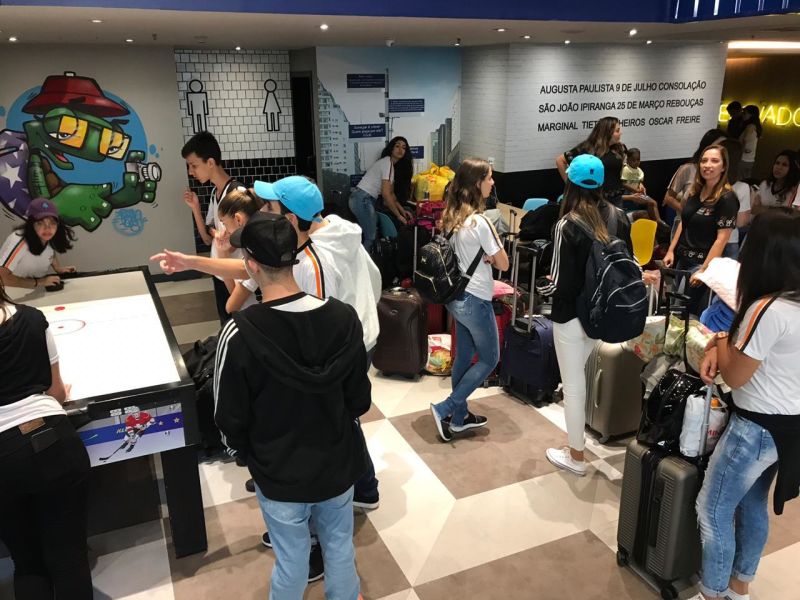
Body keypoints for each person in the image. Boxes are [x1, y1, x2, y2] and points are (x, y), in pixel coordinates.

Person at [214, 212, 370, 600]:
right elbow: (359, 400)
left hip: (278, 470)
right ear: (295, 255)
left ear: (250, 265)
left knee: (292, 559)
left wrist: (247, 454)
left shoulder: (239, 333)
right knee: (339, 547)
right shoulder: (344, 317)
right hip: (336, 462)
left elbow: (229, 417)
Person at [692, 210, 800, 600]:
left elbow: (735, 375)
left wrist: (719, 339)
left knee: (712, 509)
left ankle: (713, 592)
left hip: (755, 427)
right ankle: (740, 588)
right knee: (752, 505)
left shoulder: (767, 308)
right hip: (787, 427)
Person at [0, 276, 92, 598]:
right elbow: (56, 391)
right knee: (70, 558)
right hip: (51, 438)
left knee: (27, 563)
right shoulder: (31, 319)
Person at [541, 154, 633, 476]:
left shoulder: (567, 224)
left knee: (573, 385)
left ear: (570, 181)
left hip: (570, 316)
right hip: (603, 314)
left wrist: (540, 289)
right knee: (577, 376)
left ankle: (576, 456)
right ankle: (577, 442)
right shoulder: (620, 218)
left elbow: (559, 283)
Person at [429, 158, 509, 442]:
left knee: (464, 355)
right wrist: (492, 255)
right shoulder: (480, 222)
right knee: (489, 358)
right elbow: (505, 263)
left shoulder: (452, 217)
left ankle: (459, 418)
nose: (492, 183)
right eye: (489, 178)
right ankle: (446, 408)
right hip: (476, 300)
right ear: (477, 183)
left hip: (456, 298)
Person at [664, 145, 738, 316]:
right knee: (675, 307)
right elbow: (684, 222)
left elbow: (722, 239)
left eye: (714, 161)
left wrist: (704, 270)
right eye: (704, 161)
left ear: (724, 166)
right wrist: (670, 250)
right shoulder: (695, 192)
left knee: (689, 313)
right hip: (682, 259)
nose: (707, 165)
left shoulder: (727, 198)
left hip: (702, 263)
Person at [181, 131, 242, 323]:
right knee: (226, 323)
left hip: (235, 277)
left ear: (210, 162)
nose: (191, 172)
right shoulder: (215, 193)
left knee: (236, 324)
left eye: (194, 165)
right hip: (220, 273)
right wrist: (195, 208)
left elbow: (238, 243)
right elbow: (208, 239)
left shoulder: (237, 194)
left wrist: (220, 237)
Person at [349, 136, 414, 250]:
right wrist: (399, 216)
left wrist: (402, 211)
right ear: (391, 149)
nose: (400, 150)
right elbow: (386, 195)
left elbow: (391, 194)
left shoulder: (390, 166)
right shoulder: (387, 163)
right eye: (397, 146)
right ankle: (361, 260)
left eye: (404, 148)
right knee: (371, 237)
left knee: (370, 235)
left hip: (363, 199)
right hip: (362, 199)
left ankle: (363, 258)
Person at [0, 198, 76, 290]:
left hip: (34, 290)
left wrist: (58, 268)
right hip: (9, 294)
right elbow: (2, 278)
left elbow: (49, 251)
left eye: (52, 223)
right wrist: (40, 282)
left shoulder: (47, 236)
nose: (48, 228)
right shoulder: (19, 240)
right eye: (40, 223)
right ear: (31, 224)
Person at [556, 116, 627, 208]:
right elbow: (560, 161)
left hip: (616, 199)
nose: (621, 133)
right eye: (617, 130)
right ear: (607, 132)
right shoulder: (587, 148)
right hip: (593, 200)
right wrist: (570, 185)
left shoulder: (618, 148)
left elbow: (619, 173)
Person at [663, 129, 727, 224]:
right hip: (686, 224)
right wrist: (688, 214)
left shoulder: (726, 174)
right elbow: (668, 198)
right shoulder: (688, 169)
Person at [216, 187, 264, 314]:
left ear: (238, 219)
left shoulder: (255, 253)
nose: (225, 230)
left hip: (259, 320)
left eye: (224, 223)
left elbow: (231, 306)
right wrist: (222, 251)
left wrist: (222, 253)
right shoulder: (257, 244)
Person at [719, 138, 752, 259]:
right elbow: (741, 222)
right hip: (730, 240)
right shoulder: (743, 187)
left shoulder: (707, 183)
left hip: (704, 239)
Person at [620, 147, 664, 225]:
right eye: (633, 160)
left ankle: (658, 221)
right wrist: (635, 190)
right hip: (630, 194)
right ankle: (657, 222)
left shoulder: (638, 170)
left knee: (653, 203)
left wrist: (641, 186)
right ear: (628, 160)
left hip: (638, 193)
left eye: (638, 160)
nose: (636, 162)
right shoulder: (626, 169)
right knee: (650, 203)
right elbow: (623, 183)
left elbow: (639, 181)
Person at [752, 150, 800, 215]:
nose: (779, 167)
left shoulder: (794, 190)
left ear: (792, 169)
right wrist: (778, 210)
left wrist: (764, 209)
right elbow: (754, 209)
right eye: (777, 163)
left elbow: (792, 214)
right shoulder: (765, 184)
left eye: (784, 165)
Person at [738, 105, 762, 181]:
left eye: (745, 113)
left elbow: (745, 140)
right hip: (750, 158)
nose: (743, 115)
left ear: (751, 115)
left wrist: (740, 152)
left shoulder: (750, 126)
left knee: (739, 180)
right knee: (746, 179)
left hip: (743, 158)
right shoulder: (756, 127)